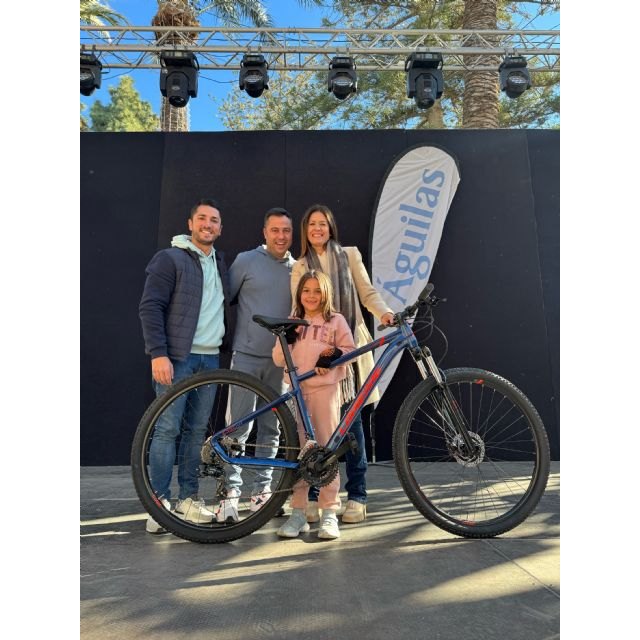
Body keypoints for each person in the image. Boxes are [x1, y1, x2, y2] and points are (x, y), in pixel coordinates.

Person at [291, 204, 395, 525]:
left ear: (331, 227)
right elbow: (297, 307)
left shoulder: (349, 255)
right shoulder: (299, 266)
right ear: (305, 231)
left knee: (352, 423)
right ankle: (312, 497)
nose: (318, 229)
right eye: (312, 225)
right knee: (313, 428)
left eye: (323, 224)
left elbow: (367, 293)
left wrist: (385, 314)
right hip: (315, 356)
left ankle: (358, 494)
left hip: (350, 352)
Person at [139, 198, 230, 534]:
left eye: (215, 220)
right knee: (166, 430)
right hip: (178, 358)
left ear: (221, 228)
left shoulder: (220, 262)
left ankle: (188, 499)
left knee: (196, 432)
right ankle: (159, 504)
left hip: (210, 359)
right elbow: (150, 307)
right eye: (202, 218)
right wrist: (158, 353)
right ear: (190, 223)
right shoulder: (170, 258)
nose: (208, 224)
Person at [213, 208, 296, 523]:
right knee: (238, 427)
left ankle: (262, 493)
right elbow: (222, 300)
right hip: (246, 357)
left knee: (271, 429)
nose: (280, 236)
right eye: (275, 230)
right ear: (265, 232)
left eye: (286, 231)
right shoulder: (246, 261)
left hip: (280, 362)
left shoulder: (297, 268)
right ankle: (230, 494)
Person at [273, 270, 356, 540]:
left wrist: (329, 355)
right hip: (297, 393)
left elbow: (349, 349)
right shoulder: (293, 322)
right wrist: (286, 338)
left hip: (326, 392)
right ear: (299, 294)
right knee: (299, 452)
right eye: (306, 290)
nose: (311, 296)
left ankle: (329, 513)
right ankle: (298, 513)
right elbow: (277, 358)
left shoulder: (336, 320)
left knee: (325, 451)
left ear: (326, 293)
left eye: (317, 291)